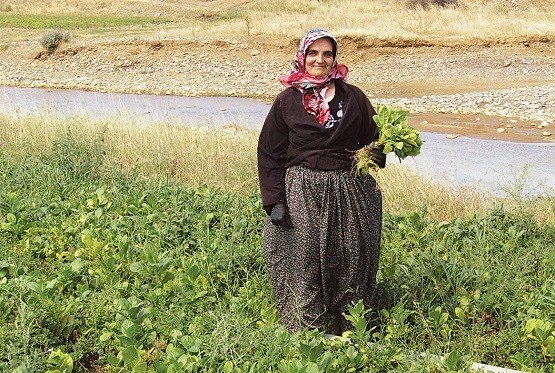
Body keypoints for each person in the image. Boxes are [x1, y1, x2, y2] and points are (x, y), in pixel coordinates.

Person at [257, 28, 386, 334]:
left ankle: (351, 328)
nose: (320, 60)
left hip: (348, 188)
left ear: (334, 58)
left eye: (327, 54)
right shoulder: (287, 100)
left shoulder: (354, 97)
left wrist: (375, 153)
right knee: (305, 258)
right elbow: (269, 152)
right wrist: (274, 201)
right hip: (302, 188)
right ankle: (306, 332)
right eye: (313, 53)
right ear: (302, 56)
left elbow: (374, 139)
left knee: (352, 256)